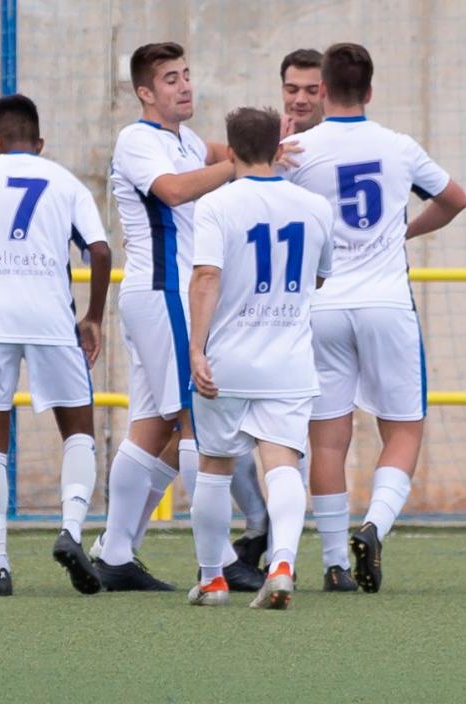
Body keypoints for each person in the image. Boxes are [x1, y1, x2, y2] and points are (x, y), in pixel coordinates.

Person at [283, 43, 466, 593]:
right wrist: (404, 230)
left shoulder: (297, 150)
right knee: (404, 429)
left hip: (322, 307)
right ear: (368, 91)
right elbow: (455, 199)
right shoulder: (398, 146)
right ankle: (375, 525)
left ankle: (336, 564)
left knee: (329, 439)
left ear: (323, 91)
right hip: (387, 303)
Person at [97, 41, 262, 591]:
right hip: (164, 290)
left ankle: (116, 553)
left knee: (151, 425)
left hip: (162, 295)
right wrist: (239, 165)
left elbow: (226, 151)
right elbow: (170, 191)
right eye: (170, 78)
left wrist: (275, 142)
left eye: (186, 74)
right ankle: (216, 560)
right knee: (196, 418)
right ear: (144, 92)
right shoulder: (137, 140)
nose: (185, 85)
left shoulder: (185, 139)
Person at [0, 94, 111, 597]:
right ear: (39, 142)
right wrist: (92, 317)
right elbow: (99, 251)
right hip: (51, 318)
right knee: (78, 426)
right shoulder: (65, 181)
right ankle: (71, 532)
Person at [186, 106, 334, 609]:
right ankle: (284, 563)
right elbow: (317, 276)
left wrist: (196, 349)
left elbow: (206, 276)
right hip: (288, 361)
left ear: (230, 151)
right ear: (277, 148)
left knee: (214, 466)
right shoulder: (315, 206)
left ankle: (213, 580)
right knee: (283, 465)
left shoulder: (216, 205)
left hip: (229, 361)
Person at [225, 47, 331, 572]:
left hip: (311, 313)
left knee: (315, 438)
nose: (301, 98)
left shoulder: (327, 154)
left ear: (329, 92)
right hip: (265, 318)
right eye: (292, 89)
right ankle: (264, 537)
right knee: (262, 445)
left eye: (312, 89)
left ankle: (323, 553)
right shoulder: (265, 154)